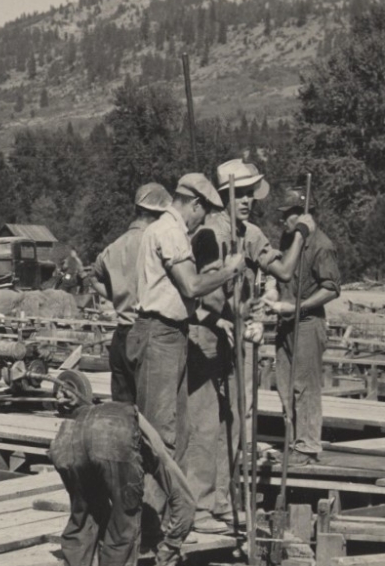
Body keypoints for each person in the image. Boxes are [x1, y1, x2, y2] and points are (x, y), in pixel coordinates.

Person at [182, 160, 308, 533]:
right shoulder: (208, 234)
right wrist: (234, 312)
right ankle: (200, 506)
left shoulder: (250, 233)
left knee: (236, 419)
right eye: (241, 194)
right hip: (208, 333)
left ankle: (220, 500)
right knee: (206, 422)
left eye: (252, 194)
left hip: (238, 334)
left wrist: (301, 233)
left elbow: (283, 270)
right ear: (224, 195)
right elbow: (206, 295)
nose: (248, 201)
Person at [49, 394, 194, 566]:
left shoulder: (114, 417)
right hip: (111, 437)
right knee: (124, 522)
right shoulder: (148, 441)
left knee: (83, 515)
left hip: (65, 438)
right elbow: (184, 499)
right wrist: (171, 547)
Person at [125, 174, 244, 462]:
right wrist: (229, 271)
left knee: (177, 431)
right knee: (159, 433)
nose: (201, 223)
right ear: (194, 204)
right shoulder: (170, 232)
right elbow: (191, 286)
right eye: (203, 214)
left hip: (169, 333)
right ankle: (153, 492)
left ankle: (171, 491)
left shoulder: (166, 229)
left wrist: (212, 319)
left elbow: (178, 297)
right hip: (160, 336)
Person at [262, 188, 340, 465]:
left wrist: (297, 307)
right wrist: (272, 289)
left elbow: (331, 288)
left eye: (287, 215)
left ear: (304, 214)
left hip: (307, 322)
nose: (282, 220)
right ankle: (293, 442)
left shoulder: (321, 245)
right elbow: (280, 271)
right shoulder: (289, 239)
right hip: (285, 323)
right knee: (285, 385)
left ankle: (307, 447)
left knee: (305, 386)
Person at [90, 182, 173, 403]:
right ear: (159, 214)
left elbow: (93, 278)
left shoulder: (114, 247)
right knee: (152, 410)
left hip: (121, 335)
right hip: (147, 336)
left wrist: (117, 295)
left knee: (122, 412)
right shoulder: (157, 243)